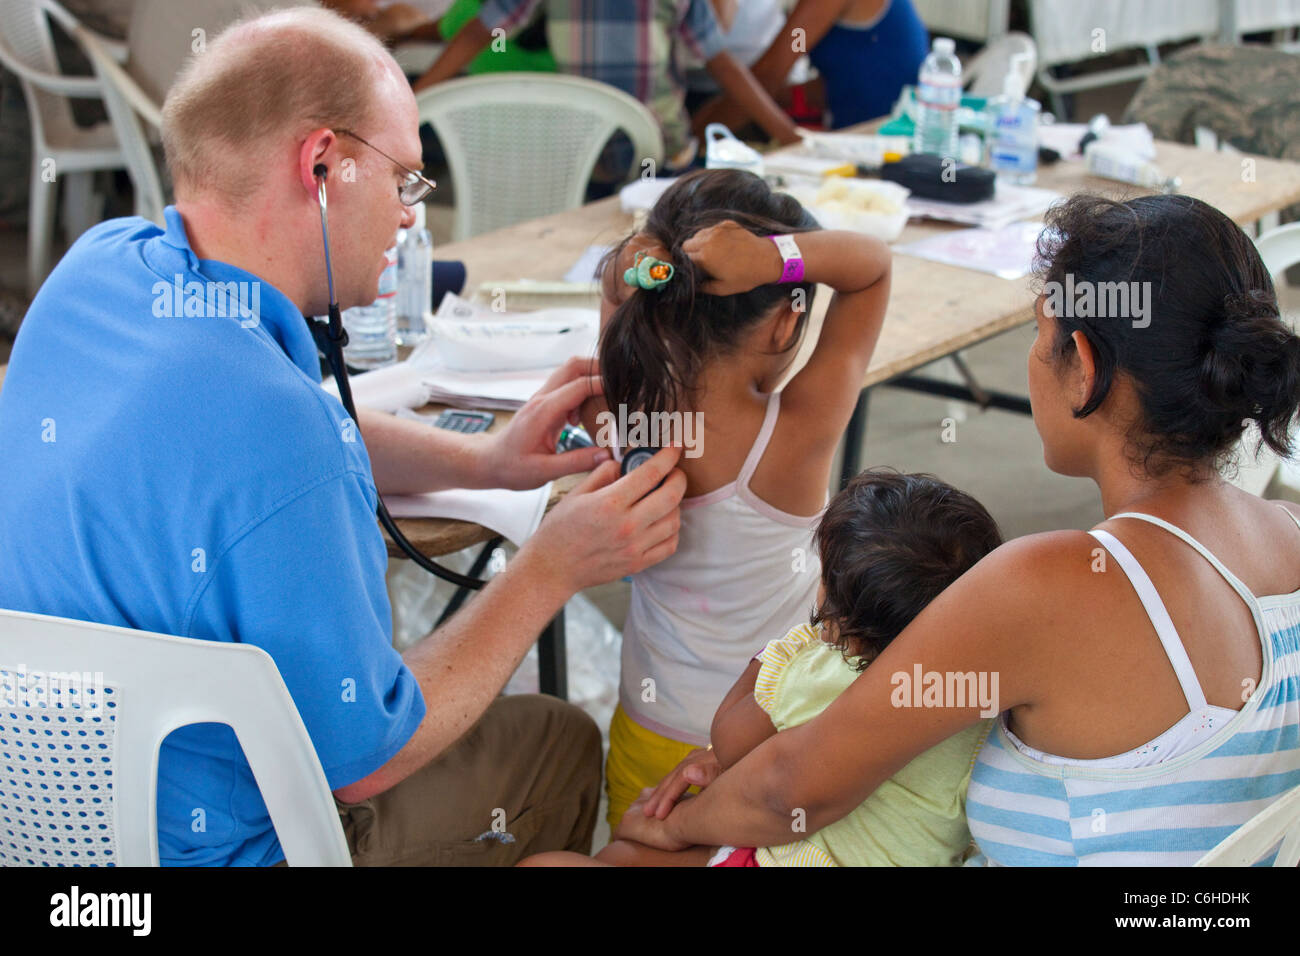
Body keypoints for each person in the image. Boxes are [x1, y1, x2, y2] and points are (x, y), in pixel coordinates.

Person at [0, 7, 686, 867]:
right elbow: (366, 755)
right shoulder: (282, 431)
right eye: (404, 180)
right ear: (322, 167)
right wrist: (553, 566)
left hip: (42, 823)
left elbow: (229, 445)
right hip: (229, 852)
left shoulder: (95, 271)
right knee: (554, 740)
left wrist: (485, 461)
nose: (409, 217)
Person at [614, 192, 1300, 866]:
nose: (1035, 356)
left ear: (1085, 369)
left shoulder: (1047, 586)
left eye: (1040, 333)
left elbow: (792, 789)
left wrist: (677, 831)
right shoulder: (1290, 534)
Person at [576, 168, 892, 831]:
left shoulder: (627, 397)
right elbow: (873, 267)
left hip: (645, 725)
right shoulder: (795, 434)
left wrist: (648, 258)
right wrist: (775, 258)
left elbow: (618, 279)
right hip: (762, 741)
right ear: (785, 322)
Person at [524, 469, 1003, 866]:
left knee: (572, 860)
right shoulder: (983, 706)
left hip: (788, 855)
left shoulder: (824, 675)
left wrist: (779, 654)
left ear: (845, 625)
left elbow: (731, 742)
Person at [410, 0, 803, 167]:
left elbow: (722, 64)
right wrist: (411, 103)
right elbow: (480, 32)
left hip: (665, 156)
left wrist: (790, 137)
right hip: (585, 158)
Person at [696, 0, 930, 132]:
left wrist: (695, 133)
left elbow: (770, 73)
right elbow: (850, 73)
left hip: (873, 135)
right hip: (878, 123)